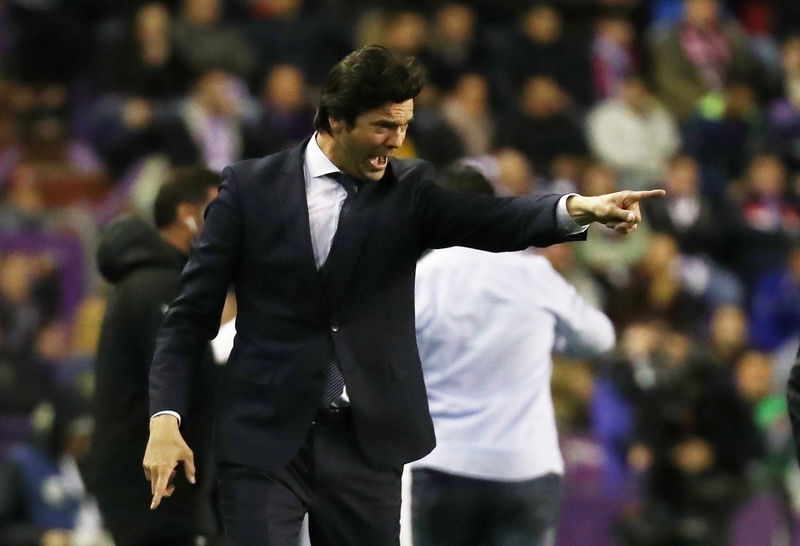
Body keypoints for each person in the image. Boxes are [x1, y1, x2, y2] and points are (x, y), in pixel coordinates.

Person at [142, 45, 664, 545]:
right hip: (265, 437)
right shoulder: (249, 188)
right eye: (384, 126)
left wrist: (579, 209)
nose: (397, 140)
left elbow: (493, 219)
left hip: (366, 441)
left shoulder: (409, 189)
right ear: (337, 121)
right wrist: (166, 418)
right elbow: (188, 318)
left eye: (405, 125)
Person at [410, 165, 616, 546]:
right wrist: (557, 341)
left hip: (443, 466)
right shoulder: (532, 274)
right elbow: (599, 337)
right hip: (525, 469)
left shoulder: (418, 280)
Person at [92, 167, 220, 546]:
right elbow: (174, 373)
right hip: (152, 484)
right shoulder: (159, 286)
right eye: (218, 211)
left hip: (147, 483)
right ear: (187, 214)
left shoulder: (152, 281)